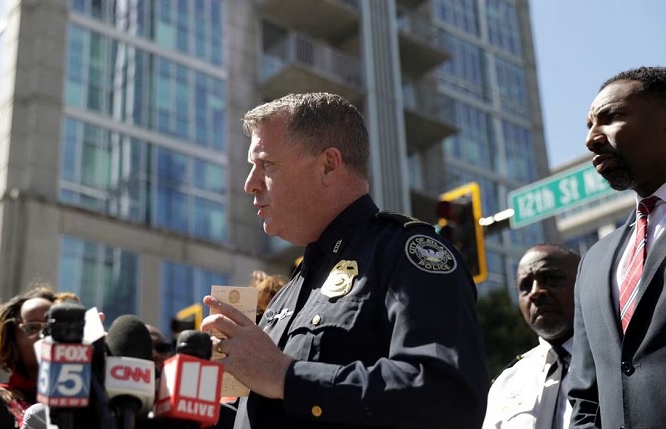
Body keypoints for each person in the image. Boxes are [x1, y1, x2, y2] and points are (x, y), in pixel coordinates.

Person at [201, 92, 489, 428]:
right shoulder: (290, 290)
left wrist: (285, 376)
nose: (250, 184)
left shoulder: (405, 252)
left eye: (266, 164)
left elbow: (448, 397)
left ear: (328, 165)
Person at [568, 66, 666, 428]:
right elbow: (586, 396)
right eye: (588, 125)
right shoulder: (595, 262)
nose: (591, 138)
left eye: (610, 117)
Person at [483, 244, 580, 429]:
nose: (536, 292)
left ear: (583, 283)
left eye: (550, 279)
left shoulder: (618, 362)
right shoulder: (506, 383)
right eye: (525, 286)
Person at [0, 283, 80, 428]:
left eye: (51, 327)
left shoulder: (83, 401)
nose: (44, 335)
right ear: (12, 339)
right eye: (32, 328)